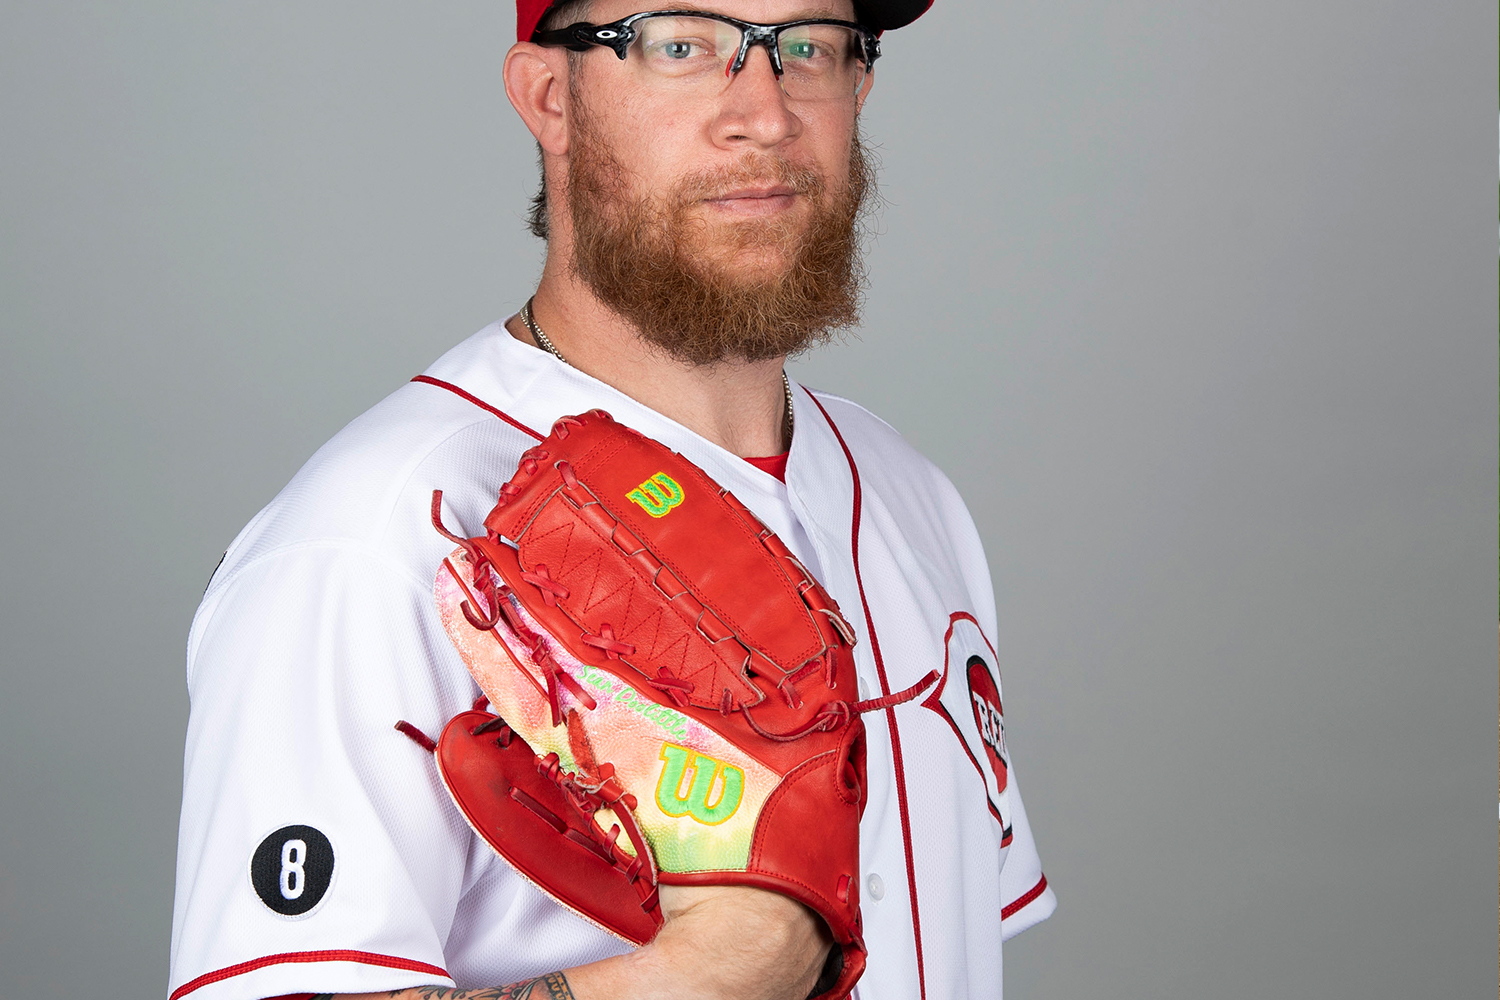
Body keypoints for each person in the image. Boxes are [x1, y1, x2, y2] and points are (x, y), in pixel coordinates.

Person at [167, 0, 1056, 996]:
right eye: (682, 45)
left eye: (808, 46)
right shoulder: (379, 536)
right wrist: (698, 978)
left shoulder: (912, 498)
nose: (761, 113)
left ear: (860, 87)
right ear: (549, 96)